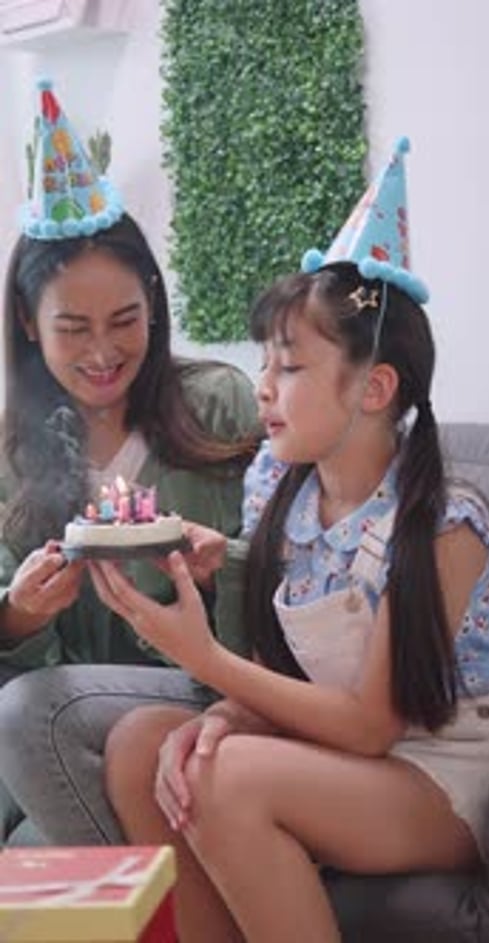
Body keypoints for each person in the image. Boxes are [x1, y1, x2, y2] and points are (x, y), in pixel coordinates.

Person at [88, 141, 489, 943]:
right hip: (346, 753)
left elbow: (372, 724)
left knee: (226, 773)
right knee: (146, 744)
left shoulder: (444, 524)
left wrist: (208, 664)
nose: (263, 386)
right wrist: (235, 708)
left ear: (373, 388)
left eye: (291, 366)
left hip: (447, 772)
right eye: (266, 364)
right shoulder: (283, 494)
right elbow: (300, 677)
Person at [0, 79, 260, 846]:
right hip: (53, 726)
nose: (104, 352)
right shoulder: (12, 449)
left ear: (153, 300)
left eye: (124, 320)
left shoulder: (220, 405)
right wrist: (20, 613)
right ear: (28, 321)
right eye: (73, 328)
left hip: (206, 693)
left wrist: (226, 566)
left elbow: (292, 566)